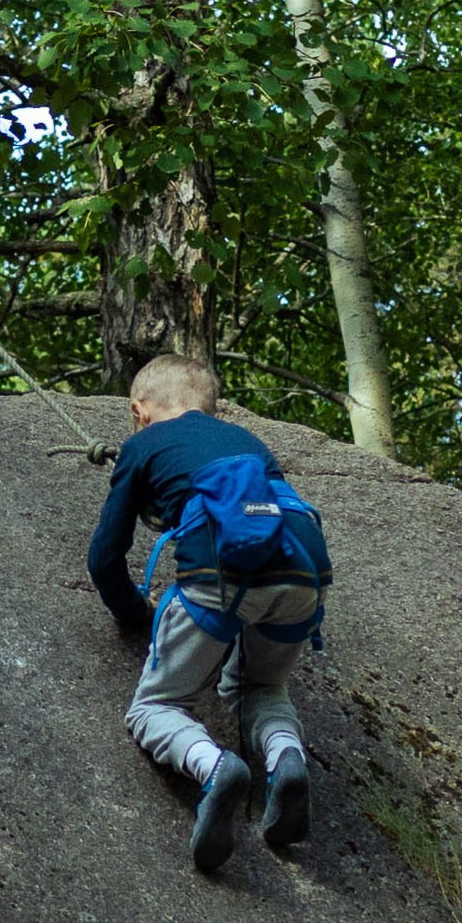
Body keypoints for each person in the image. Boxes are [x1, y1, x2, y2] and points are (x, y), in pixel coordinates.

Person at [88, 354, 320, 875]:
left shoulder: (142, 443)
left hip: (223, 575)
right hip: (302, 568)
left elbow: (104, 557)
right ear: (211, 407)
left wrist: (135, 613)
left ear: (137, 411)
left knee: (157, 706)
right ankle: (286, 758)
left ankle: (216, 768)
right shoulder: (250, 443)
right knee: (260, 688)